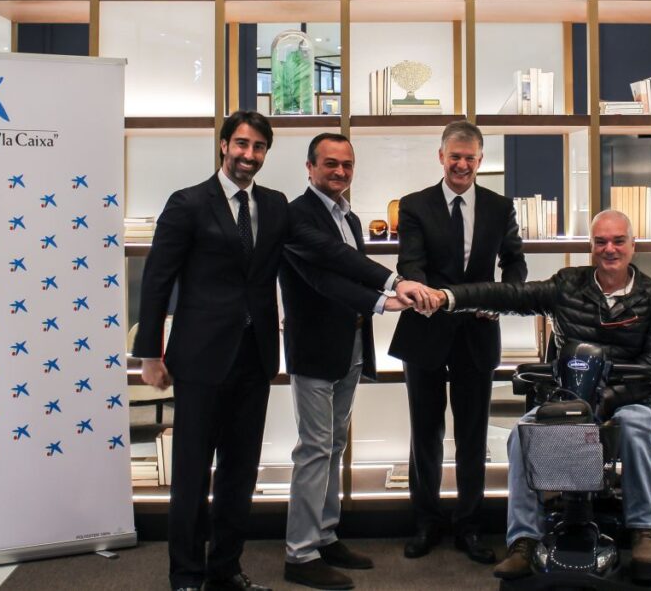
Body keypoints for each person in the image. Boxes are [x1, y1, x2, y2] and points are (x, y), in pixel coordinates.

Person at [425, 209, 651, 581]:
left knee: (636, 426)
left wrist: (607, 397)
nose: (609, 249)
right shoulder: (567, 285)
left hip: (625, 400)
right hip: (567, 398)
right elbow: (509, 295)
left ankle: (645, 531)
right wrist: (450, 296)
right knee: (521, 434)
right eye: (601, 241)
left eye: (618, 241)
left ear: (632, 244)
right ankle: (523, 540)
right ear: (591, 246)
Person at [133, 110, 284, 591]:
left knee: (240, 474)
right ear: (224, 145)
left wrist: (385, 290)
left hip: (255, 358)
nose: (249, 155)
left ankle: (225, 569)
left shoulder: (275, 205)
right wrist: (149, 354)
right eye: (241, 144)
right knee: (192, 474)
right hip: (199, 361)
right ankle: (185, 575)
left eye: (258, 147)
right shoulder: (188, 203)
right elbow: (157, 280)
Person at [279, 133, 431, 590]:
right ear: (309, 167)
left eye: (347, 164)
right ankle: (300, 553)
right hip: (314, 350)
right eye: (330, 164)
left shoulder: (351, 217)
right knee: (314, 448)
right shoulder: (295, 216)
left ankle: (325, 536)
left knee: (335, 445)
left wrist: (380, 299)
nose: (340, 172)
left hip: (350, 345)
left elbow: (347, 270)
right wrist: (389, 294)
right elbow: (326, 275)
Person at [390, 120, 527, 564]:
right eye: (455, 156)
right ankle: (426, 522)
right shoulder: (414, 205)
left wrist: (503, 298)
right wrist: (425, 294)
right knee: (425, 434)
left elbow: (515, 262)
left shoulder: (500, 207)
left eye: (470, 158)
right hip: (425, 330)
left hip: (477, 333)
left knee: (472, 436)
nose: (462, 164)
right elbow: (410, 263)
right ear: (441, 157)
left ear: (480, 160)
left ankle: (469, 526)